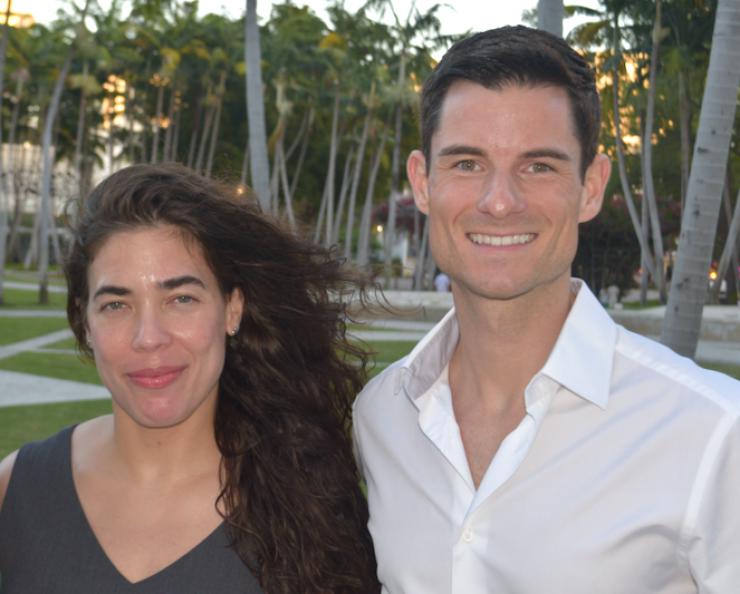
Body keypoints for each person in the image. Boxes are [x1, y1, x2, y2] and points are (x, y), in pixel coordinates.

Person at [352, 26, 740, 593]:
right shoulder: (381, 417)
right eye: (467, 164)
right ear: (423, 182)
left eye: (538, 166)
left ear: (590, 187)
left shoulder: (713, 431)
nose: (500, 202)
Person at [0, 163, 379, 593]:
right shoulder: (18, 491)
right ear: (85, 321)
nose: (148, 338)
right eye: (116, 305)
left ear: (232, 309)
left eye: (181, 299)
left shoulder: (313, 507)